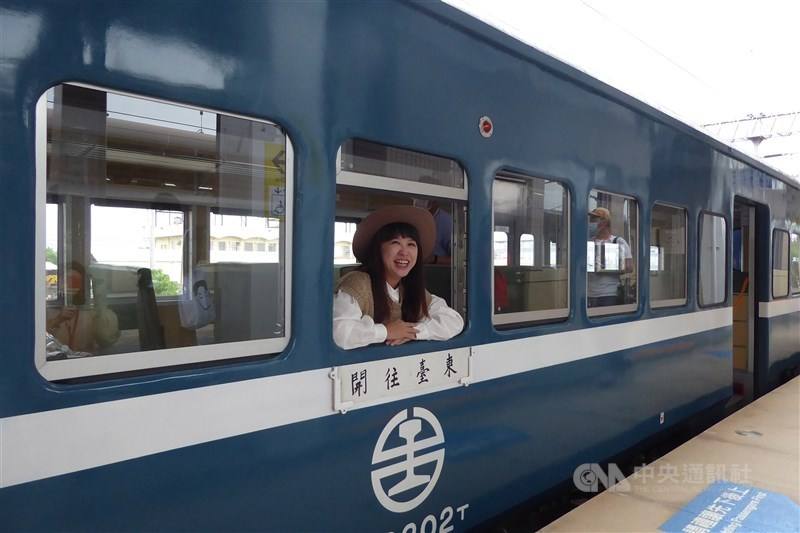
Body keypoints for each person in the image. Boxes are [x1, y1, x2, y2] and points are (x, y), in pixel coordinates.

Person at [333, 206, 464, 349]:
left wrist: (412, 332)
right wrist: (386, 332)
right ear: (378, 249)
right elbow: (339, 333)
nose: (404, 252)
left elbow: (454, 321)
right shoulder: (358, 283)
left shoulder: (409, 289)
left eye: (411, 244)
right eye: (395, 243)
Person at [46, 261, 119, 356]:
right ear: (60, 282)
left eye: (75, 281)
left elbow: (106, 342)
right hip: (57, 362)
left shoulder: (89, 312)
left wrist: (101, 307)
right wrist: (58, 319)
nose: (70, 285)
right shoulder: (48, 308)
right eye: (67, 280)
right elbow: (38, 338)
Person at [587, 207, 633, 307]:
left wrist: (606, 265)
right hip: (589, 293)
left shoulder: (618, 241)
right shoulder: (589, 243)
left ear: (604, 222)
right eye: (591, 219)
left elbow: (630, 267)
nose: (591, 222)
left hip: (609, 294)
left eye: (594, 219)